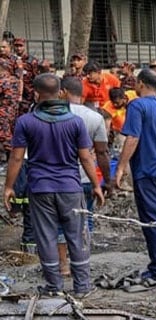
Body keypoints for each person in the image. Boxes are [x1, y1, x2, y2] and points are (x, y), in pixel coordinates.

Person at [3, 73, 104, 296]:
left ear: (37, 94)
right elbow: (86, 157)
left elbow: (17, 158)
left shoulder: (26, 122)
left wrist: (8, 187)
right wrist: (96, 185)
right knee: (76, 235)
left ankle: (54, 286)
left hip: (40, 188)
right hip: (71, 187)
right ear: (60, 93)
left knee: (46, 236)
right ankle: (82, 287)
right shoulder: (75, 122)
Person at [114, 68, 156, 286]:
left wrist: (121, 167)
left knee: (152, 220)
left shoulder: (137, 105)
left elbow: (132, 137)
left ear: (141, 84)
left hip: (148, 170)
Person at [59, 76, 112, 275]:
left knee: (60, 223)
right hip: (86, 178)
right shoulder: (95, 117)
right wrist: (106, 180)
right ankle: (82, 261)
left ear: (63, 92)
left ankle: (63, 264)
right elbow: (102, 152)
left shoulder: (52, 115)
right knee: (86, 220)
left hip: (60, 180)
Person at [12, 38, 40, 117]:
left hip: (28, 94)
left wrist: (36, 92)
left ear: (25, 46)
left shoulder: (32, 61)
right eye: (16, 46)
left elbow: (36, 77)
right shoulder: (11, 60)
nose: (18, 48)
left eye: (20, 46)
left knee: (28, 115)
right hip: (14, 92)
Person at [0, 57, 20, 163]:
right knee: (10, 134)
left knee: (4, 137)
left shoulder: (2, 81)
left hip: (3, 113)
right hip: (13, 112)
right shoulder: (14, 80)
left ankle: (9, 160)